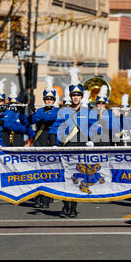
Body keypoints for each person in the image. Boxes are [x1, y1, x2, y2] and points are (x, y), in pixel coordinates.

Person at [49, 67, 96, 218]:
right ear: (70, 96)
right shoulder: (63, 111)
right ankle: (65, 206)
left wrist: (92, 141)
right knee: (65, 178)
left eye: (78, 95)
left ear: (82, 96)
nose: (75, 97)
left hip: (81, 147)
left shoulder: (88, 112)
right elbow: (54, 129)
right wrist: (54, 143)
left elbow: (95, 129)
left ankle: (73, 207)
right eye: (73, 95)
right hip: (66, 147)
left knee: (78, 177)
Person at [30, 76, 60, 209]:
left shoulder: (57, 111)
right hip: (39, 142)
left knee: (50, 171)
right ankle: (38, 197)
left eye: (51, 99)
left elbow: (51, 117)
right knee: (38, 171)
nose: (48, 101)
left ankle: (47, 198)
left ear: (54, 100)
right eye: (47, 99)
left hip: (51, 142)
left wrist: (37, 114)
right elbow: (30, 121)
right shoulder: (40, 110)